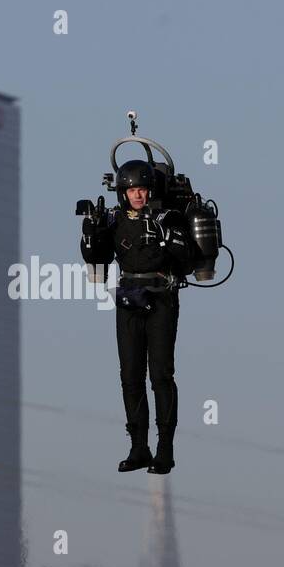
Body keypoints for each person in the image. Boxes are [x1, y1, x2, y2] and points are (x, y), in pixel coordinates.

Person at [81, 158, 196, 474]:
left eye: (143, 189)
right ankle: (138, 447)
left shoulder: (167, 216)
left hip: (162, 298)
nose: (138, 195)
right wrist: (90, 235)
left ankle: (165, 450)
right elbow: (98, 258)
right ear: (123, 191)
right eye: (133, 190)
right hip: (128, 298)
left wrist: (173, 239)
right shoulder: (114, 220)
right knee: (130, 377)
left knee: (160, 376)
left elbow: (187, 259)